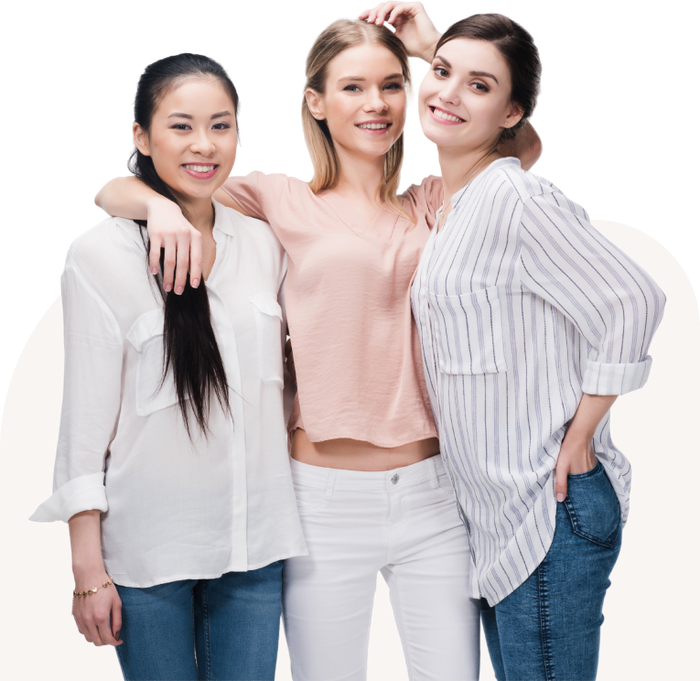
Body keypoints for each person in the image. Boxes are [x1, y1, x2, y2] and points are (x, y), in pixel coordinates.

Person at [92, 11, 543, 681]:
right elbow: (124, 186)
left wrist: (434, 51)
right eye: (353, 87)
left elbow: (519, 143)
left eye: (393, 85)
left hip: (436, 492)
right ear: (316, 101)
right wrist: (156, 208)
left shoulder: (435, 201)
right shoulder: (274, 199)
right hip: (322, 498)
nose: (377, 104)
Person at [364, 4, 665, 680]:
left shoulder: (513, 199)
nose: (445, 92)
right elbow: (508, 131)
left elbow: (635, 298)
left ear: (510, 112)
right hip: (500, 517)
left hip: (547, 509)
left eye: (479, 85)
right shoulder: (459, 199)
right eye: (439, 74)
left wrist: (582, 432)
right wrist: (438, 52)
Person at [29, 53, 307, 681]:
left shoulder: (261, 242)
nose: (203, 145)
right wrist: (87, 571)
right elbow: (84, 422)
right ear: (141, 137)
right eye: (180, 126)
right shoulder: (100, 255)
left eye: (221, 125)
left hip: (255, 549)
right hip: (149, 557)